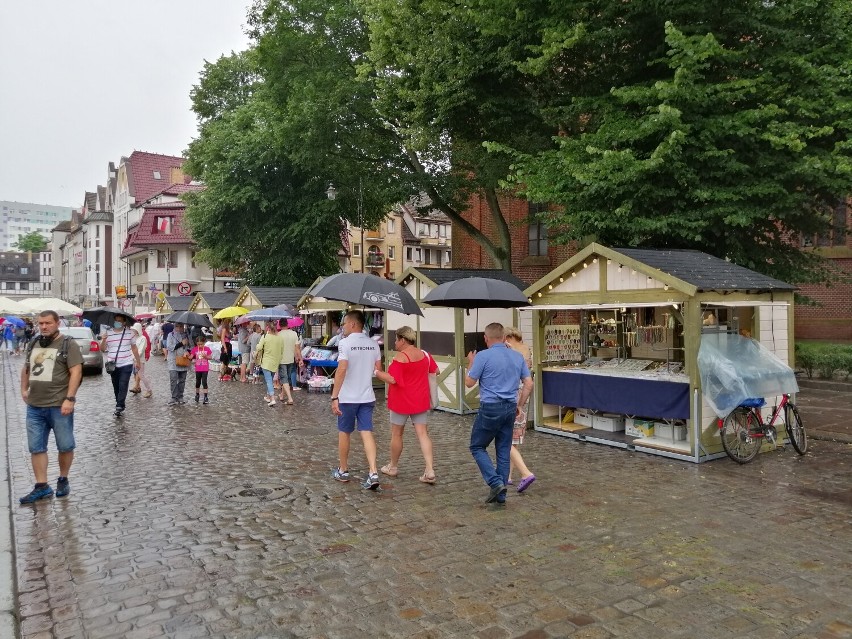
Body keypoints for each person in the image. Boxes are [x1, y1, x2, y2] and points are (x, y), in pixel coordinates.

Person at [19, 310, 83, 503]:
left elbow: (76, 371)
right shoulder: (34, 342)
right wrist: (24, 389)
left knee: (65, 445)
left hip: (58, 404)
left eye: (48, 323)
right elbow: (26, 368)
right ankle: (42, 486)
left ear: (57, 323)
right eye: (41, 323)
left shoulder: (68, 343)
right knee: (36, 447)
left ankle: (63, 479)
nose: (44, 326)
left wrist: (70, 399)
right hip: (35, 405)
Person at [465, 323, 533, 504]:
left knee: (477, 446)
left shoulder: (483, 356)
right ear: (504, 338)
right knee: (503, 450)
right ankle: (501, 495)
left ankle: (495, 483)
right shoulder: (517, 356)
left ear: (486, 339)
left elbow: (469, 382)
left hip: (490, 407)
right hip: (510, 407)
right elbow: (529, 384)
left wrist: (470, 363)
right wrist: (520, 404)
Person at [330, 310, 393, 490]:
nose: (343, 327)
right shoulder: (373, 344)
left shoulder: (344, 343)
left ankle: (343, 470)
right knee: (366, 432)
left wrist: (335, 396)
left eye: (344, 323)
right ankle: (373, 472)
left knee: (344, 432)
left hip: (348, 397)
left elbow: (341, 370)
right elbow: (377, 370)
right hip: (367, 396)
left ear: (353, 324)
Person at [379, 326, 437, 483]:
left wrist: (377, 372)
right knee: (423, 434)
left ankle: (393, 466)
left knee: (397, 434)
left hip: (401, 401)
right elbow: (436, 371)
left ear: (402, 340)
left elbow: (392, 379)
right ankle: (429, 470)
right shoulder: (425, 355)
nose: (395, 343)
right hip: (420, 400)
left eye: (396, 339)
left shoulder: (400, 358)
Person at [504, 327, 536, 492]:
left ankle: (523, 473)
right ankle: (508, 476)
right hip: (523, 394)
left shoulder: (512, 351)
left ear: (509, 337)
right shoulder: (526, 349)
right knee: (514, 440)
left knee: (506, 438)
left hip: (513, 395)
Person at [101, 313, 141, 417]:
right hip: (112, 364)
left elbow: (134, 348)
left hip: (126, 363)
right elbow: (102, 349)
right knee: (116, 385)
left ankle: (119, 405)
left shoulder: (130, 333)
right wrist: (104, 340)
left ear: (124, 323)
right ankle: (119, 403)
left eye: (119, 321)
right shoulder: (108, 333)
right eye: (116, 320)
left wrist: (138, 361)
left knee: (123, 384)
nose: (117, 323)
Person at [256, 323, 285, 406]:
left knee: (269, 381)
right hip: (275, 362)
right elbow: (282, 351)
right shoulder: (280, 338)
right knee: (270, 379)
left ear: (268, 329)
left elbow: (259, 348)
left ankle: (272, 398)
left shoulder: (265, 336)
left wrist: (259, 345)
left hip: (266, 362)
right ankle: (268, 397)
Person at [276, 323, 303, 405]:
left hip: (282, 360)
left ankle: (290, 398)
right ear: (287, 325)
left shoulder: (278, 335)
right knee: (286, 379)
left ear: (280, 326)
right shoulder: (294, 334)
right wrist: (300, 359)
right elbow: (297, 348)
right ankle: (282, 395)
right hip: (291, 359)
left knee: (284, 379)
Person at [166, 322, 191, 405]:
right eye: (177, 326)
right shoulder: (171, 335)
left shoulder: (186, 335)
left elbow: (191, 347)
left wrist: (187, 351)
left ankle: (180, 396)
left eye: (181, 326)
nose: (179, 328)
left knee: (182, 380)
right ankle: (173, 397)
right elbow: (169, 347)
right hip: (173, 361)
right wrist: (181, 343)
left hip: (184, 360)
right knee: (173, 379)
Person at [130, 322, 153, 398]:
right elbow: (132, 349)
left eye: (135, 330)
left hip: (140, 360)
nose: (134, 331)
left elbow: (140, 350)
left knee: (141, 375)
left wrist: (134, 357)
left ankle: (149, 390)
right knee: (137, 374)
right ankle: (140, 388)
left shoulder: (143, 338)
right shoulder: (135, 338)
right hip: (134, 360)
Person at [190, 335, 212, 404]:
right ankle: (197, 394)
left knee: (204, 382)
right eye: (198, 344)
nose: (200, 346)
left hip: (205, 368)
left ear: (204, 343)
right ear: (196, 343)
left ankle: (205, 397)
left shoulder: (207, 349)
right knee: (198, 382)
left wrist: (206, 356)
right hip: (198, 369)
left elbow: (210, 357)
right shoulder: (195, 349)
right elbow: (191, 357)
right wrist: (189, 357)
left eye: (201, 344)